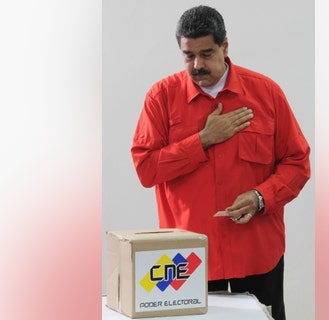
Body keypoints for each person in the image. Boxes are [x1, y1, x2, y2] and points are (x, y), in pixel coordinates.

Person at [130, 5, 310, 320]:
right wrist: (201, 140)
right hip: (187, 259)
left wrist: (260, 197)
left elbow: (297, 162)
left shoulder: (266, 94)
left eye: (207, 53)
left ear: (225, 46)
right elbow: (146, 169)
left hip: (257, 254)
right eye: (188, 56)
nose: (197, 64)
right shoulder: (161, 97)